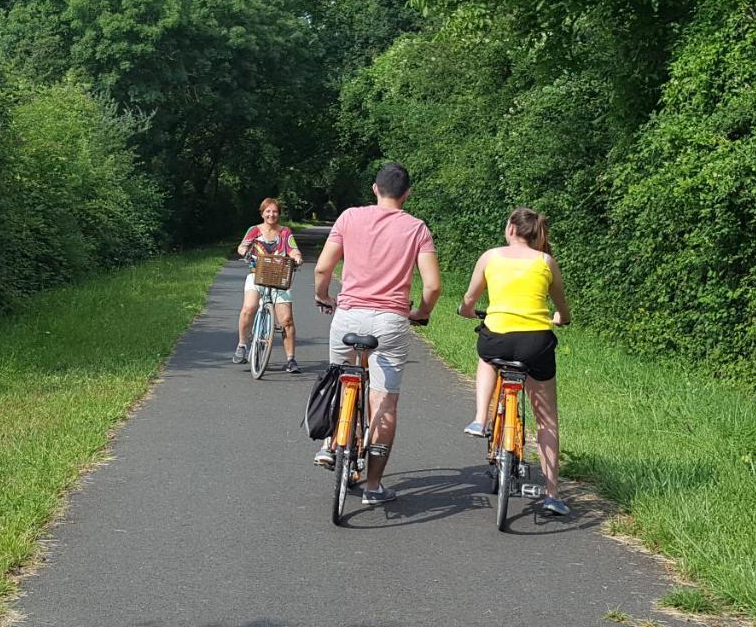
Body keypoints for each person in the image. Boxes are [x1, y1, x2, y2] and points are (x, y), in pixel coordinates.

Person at [313, 162, 441, 506]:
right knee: (384, 400)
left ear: (374, 189)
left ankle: (331, 443)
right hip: (390, 321)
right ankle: (372, 486)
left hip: (348, 316)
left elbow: (324, 267)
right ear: (407, 193)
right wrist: (421, 313)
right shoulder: (417, 229)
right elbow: (432, 285)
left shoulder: (349, 217)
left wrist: (323, 296)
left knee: (339, 379)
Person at [457, 207, 572, 516]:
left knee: (486, 359)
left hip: (498, 338)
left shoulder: (490, 257)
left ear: (510, 229)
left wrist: (466, 310)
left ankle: (481, 418)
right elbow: (561, 304)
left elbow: (469, 299)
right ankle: (552, 494)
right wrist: (561, 317)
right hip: (536, 343)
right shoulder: (546, 261)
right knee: (547, 420)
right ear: (535, 234)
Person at [234, 198, 305, 373]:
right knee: (249, 308)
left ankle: (290, 359)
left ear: (279, 214)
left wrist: (297, 257)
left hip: (279, 278)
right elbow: (242, 247)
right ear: (262, 213)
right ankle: (242, 345)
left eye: (274, 211)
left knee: (286, 320)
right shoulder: (254, 230)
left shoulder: (285, 232)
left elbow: (293, 249)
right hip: (256, 275)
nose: (271, 214)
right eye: (268, 211)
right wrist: (246, 252)